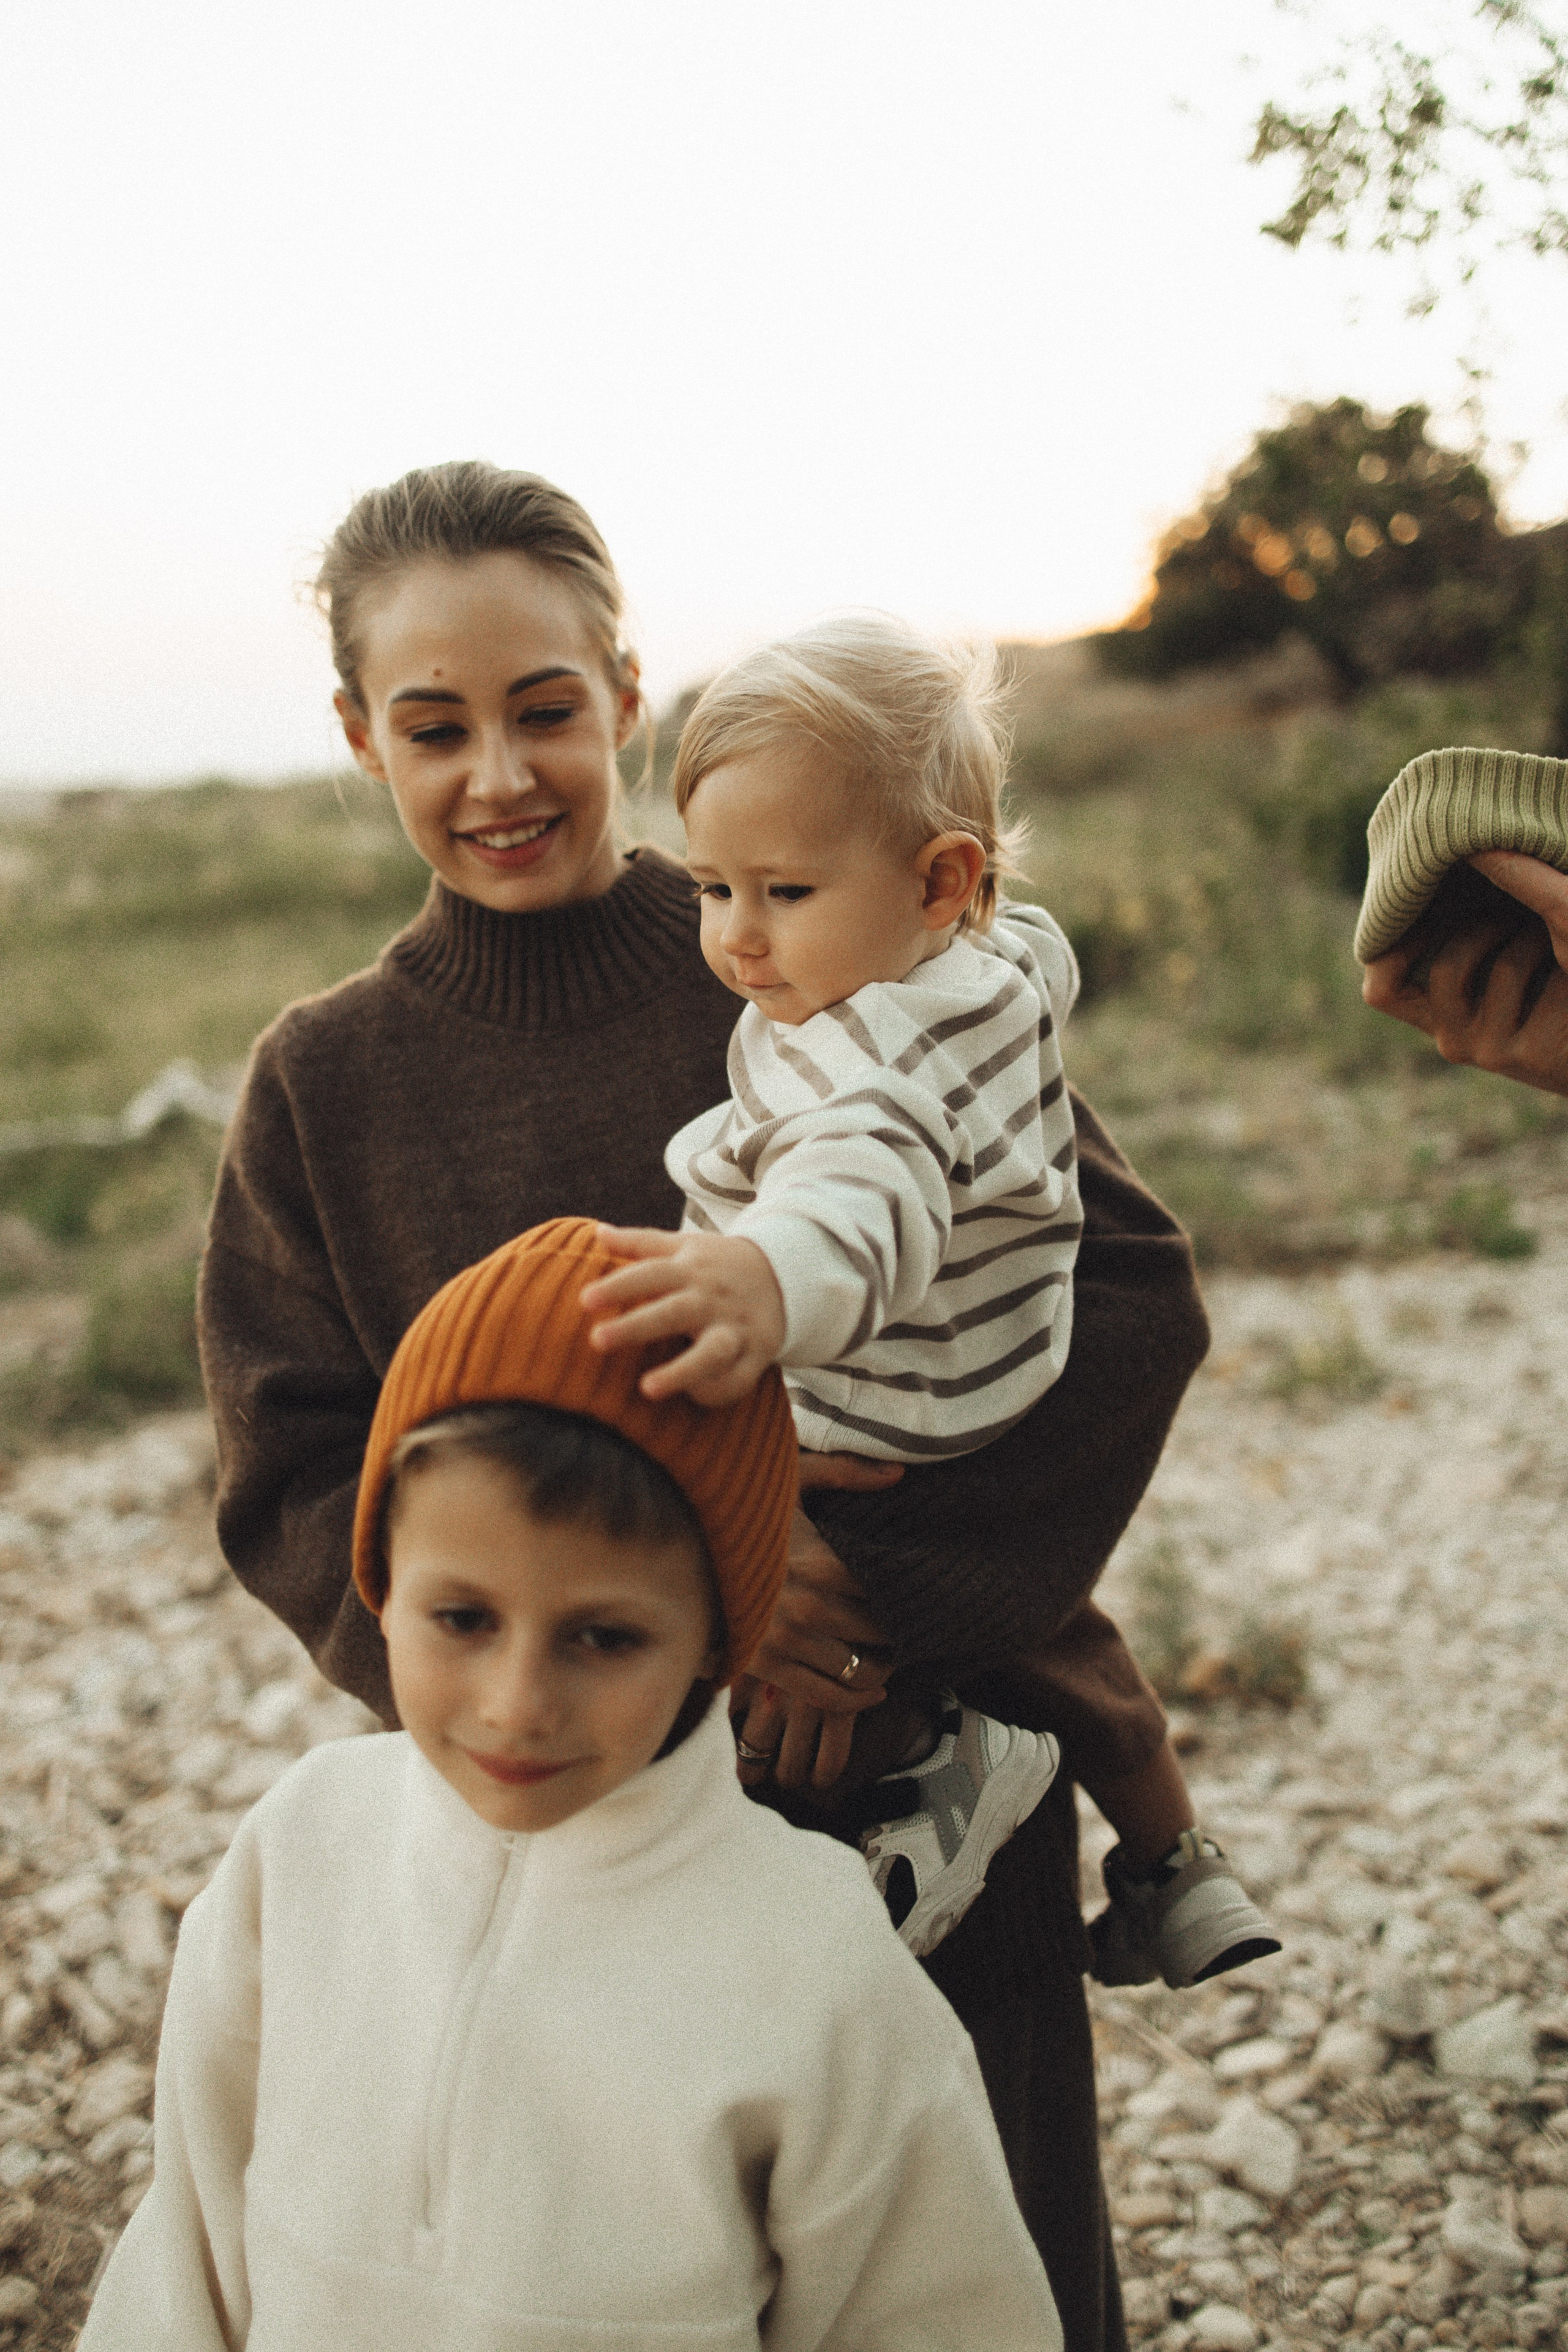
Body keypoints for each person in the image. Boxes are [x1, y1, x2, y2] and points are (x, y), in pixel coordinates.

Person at [197, 458, 1213, 2351]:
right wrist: (610, 1670)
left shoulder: (825, 944)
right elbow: (289, 1473)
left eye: (545, 710)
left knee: (980, 2284)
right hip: (566, 1822)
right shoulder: (321, 1086)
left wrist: (865, 1601)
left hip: (922, 1796)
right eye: (435, 726)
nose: (497, 772)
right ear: (362, 738)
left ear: (625, 695)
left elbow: (1125, 1288)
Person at [83, 1220, 1063, 2350]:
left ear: (718, 1637)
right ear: (382, 1580)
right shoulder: (301, 1850)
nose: (515, 1704)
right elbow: (189, 2246)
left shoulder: (814, 1959)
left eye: (601, 1638)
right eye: (463, 1618)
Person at [580, 614, 1278, 1986]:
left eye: (778, 892)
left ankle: (939, 1769)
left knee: (766, 1630)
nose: (732, 939)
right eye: (711, 888)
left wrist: (764, 1278)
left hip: (872, 1393)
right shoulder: (992, 964)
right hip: (992, 1370)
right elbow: (1027, 973)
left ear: (936, 878)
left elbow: (863, 1192)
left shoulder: (869, 1057)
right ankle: (1169, 1862)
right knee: (1058, 1629)